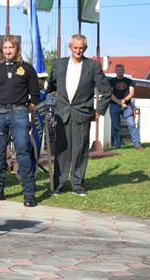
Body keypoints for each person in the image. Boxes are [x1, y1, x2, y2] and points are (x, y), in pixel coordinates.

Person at [0, 36, 40, 207]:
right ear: (1, 50)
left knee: (22, 152)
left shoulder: (27, 69)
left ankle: (29, 193)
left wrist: (27, 114)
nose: (8, 51)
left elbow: (34, 95)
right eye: (5, 48)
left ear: (17, 49)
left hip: (19, 113)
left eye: (11, 48)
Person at [48, 34, 111, 196]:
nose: (78, 50)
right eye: (75, 47)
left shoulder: (93, 66)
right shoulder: (59, 64)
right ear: (70, 47)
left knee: (80, 151)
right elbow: (51, 85)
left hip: (82, 114)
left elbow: (106, 91)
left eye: (81, 48)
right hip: (61, 114)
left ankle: (77, 185)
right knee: (61, 151)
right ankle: (58, 185)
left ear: (85, 48)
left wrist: (99, 111)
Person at [109, 64, 143, 149]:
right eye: (118, 70)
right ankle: (117, 145)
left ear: (124, 70)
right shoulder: (111, 81)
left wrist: (123, 101)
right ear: (115, 71)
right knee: (115, 126)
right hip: (114, 105)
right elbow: (110, 93)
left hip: (127, 106)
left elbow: (132, 93)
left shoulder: (129, 81)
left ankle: (137, 144)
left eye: (121, 70)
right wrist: (119, 102)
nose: (119, 71)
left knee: (131, 124)